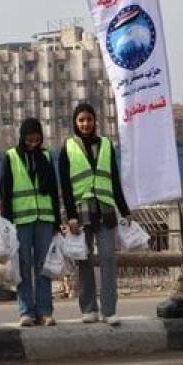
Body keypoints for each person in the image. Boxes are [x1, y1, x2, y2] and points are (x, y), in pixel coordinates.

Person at [58, 103, 131, 327]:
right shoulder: (67, 147)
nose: (85, 124)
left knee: (108, 258)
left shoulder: (106, 145)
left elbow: (114, 180)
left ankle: (109, 309)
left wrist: (125, 209)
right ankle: (89, 308)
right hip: (81, 212)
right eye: (81, 120)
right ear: (75, 123)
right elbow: (66, 185)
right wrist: (70, 216)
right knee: (84, 260)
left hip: (106, 209)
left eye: (89, 119)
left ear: (95, 121)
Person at [0, 118, 61, 327]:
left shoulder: (46, 156)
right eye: (30, 137)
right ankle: (26, 311)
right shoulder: (11, 157)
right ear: (23, 136)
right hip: (20, 220)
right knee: (23, 266)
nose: (33, 141)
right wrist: (6, 224)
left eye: (37, 137)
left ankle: (45, 311)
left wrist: (56, 221)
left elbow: (53, 190)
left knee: (44, 267)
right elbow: (5, 191)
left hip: (44, 218)